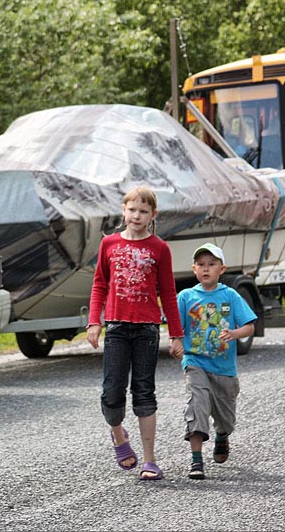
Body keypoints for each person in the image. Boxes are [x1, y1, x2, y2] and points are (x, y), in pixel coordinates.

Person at [86, 185, 184, 481]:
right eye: (132, 210)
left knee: (144, 391)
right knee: (112, 390)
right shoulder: (109, 244)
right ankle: (118, 434)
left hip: (147, 330)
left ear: (153, 215)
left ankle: (151, 460)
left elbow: (168, 293)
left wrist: (176, 334)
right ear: (123, 211)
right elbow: (100, 284)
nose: (136, 215)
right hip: (116, 327)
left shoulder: (160, 249)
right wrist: (94, 321)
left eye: (143, 211)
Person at [176, 243, 256, 480]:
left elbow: (250, 326)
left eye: (211, 264)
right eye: (201, 265)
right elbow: (175, 328)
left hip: (224, 368)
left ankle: (222, 434)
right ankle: (196, 460)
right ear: (193, 269)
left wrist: (234, 333)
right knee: (196, 405)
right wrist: (176, 341)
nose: (206, 269)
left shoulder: (230, 296)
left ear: (222, 269)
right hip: (195, 362)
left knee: (226, 419)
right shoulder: (186, 297)